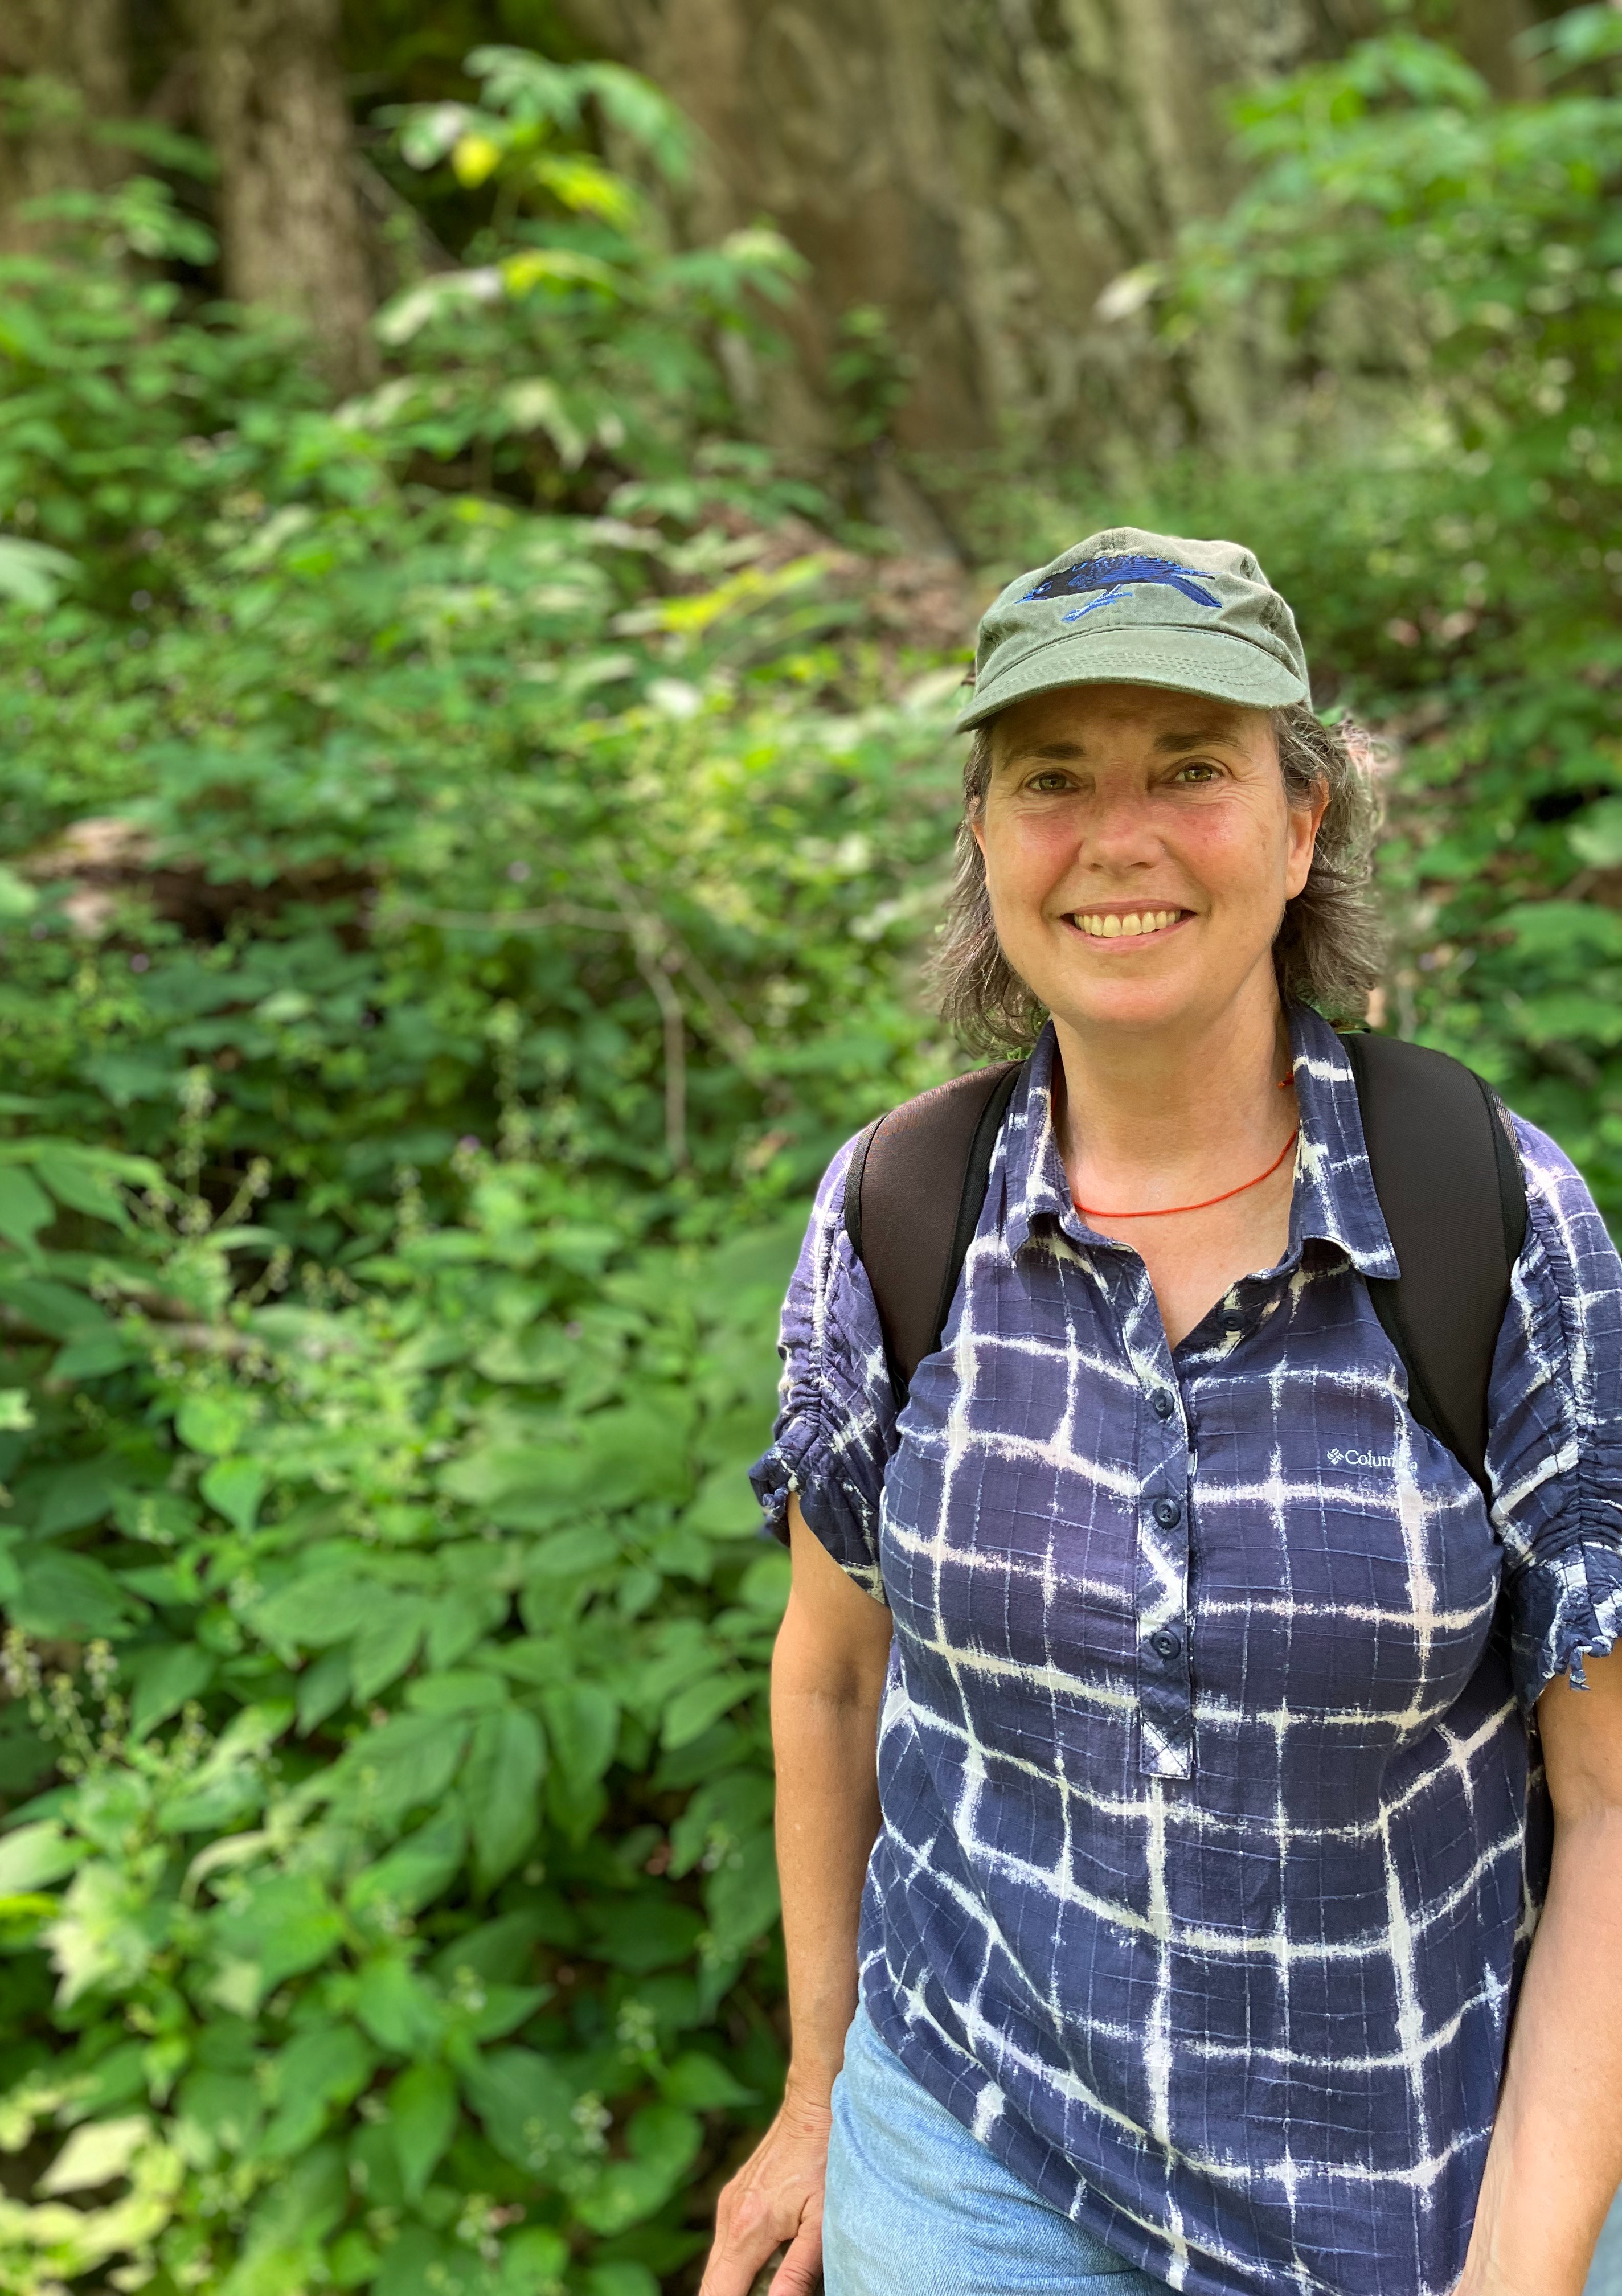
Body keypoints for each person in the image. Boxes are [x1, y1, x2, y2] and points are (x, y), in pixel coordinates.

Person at [703, 530, 1622, 2296]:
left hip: (1417, 2193)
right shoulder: (898, 1207)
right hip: (975, 2168)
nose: (1117, 838)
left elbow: (1610, 1802)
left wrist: (1523, 2271)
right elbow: (830, 1673)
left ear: (1302, 824)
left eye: (1191, 768)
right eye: (1053, 779)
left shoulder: (1488, 1218)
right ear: (985, 836)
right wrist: (816, 2095)